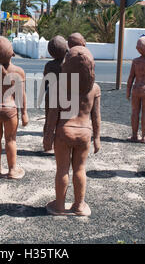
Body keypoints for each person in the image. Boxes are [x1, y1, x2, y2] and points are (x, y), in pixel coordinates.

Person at [44, 46, 101, 216]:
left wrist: (48, 136)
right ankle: (79, 205)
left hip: (64, 131)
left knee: (62, 170)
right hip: (84, 133)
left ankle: (60, 205)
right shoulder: (94, 89)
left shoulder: (59, 86)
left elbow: (53, 115)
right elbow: (96, 117)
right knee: (80, 169)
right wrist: (97, 137)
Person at [0, 37, 29, 179]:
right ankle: (12, 170)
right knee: (11, 140)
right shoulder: (18, 71)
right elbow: (21, 95)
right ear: (11, 53)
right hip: (10, 110)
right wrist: (24, 113)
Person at [42, 35, 68, 152]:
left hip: (51, 95)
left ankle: (47, 143)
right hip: (64, 96)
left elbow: (45, 82)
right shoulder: (68, 65)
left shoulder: (49, 65)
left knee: (49, 119)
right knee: (62, 120)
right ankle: (60, 144)